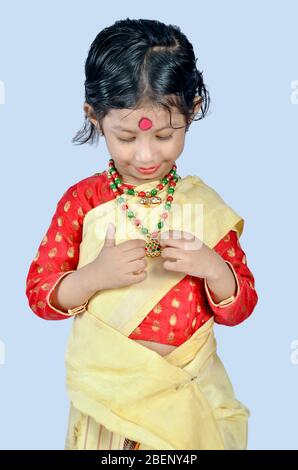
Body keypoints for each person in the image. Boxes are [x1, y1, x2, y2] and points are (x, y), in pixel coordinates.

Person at [25, 18, 258, 450]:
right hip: (109, 404)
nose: (147, 154)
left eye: (167, 135)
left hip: (187, 398)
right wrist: (94, 276)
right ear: (93, 116)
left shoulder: (203, 206)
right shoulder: (84, 201)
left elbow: (240, 307)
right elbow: (40, 294)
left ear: (194, 108)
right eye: (126, 137)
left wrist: (212, 267)